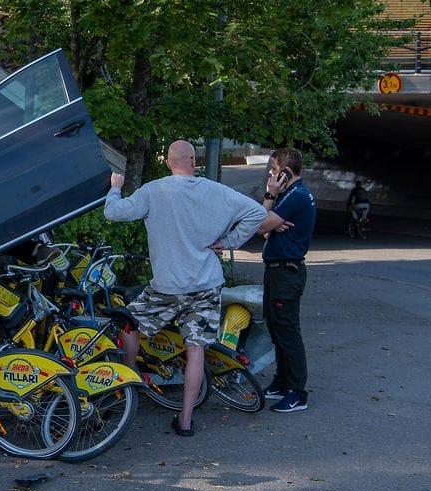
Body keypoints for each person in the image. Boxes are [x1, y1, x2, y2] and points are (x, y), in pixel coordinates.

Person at [104, 140, 267, 436]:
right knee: (196, 350)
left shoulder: (155, 190)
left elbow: (114, 213)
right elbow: (257, 213)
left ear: (168, 162)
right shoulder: (217, 192)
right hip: (205, 286)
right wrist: (228, 242)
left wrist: (116, 187)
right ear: (194, 161)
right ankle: (186, 420)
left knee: (129, 324)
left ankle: (128, 384)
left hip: (167, 286)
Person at [256, 147, 316, 413]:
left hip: (286, 272)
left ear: (286, 172)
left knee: (288, 330)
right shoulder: (290, 195)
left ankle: (297, 392)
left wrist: (270, 197)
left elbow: (259, 225)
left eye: (274, 170)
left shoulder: (296, 196)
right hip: (278, 270)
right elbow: (265, 227)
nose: (271, 175)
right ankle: (281, 382)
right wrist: (271, 222)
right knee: (277, 327)